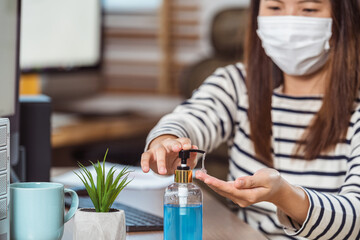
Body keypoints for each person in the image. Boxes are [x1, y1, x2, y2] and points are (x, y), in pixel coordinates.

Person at [141, 0, 360, 239]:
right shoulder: (235, 84)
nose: (288, 24)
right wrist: (166, 141)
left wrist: (284, 196)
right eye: (275, 8)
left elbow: (356, 219)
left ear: (342, 19)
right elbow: (190, 118)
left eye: (308, 9)